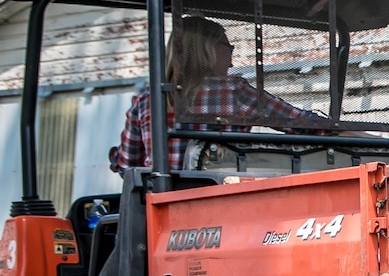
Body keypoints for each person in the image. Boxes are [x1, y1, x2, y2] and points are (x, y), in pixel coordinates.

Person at [109, 16, 325, 172]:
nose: (232, 61)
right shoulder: (233, 91)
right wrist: (349, 133)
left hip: (160, 207)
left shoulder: (147, 99)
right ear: (208, 49)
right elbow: (302, 124)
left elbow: (127, 164)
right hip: (219, 202)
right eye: (229, 49)